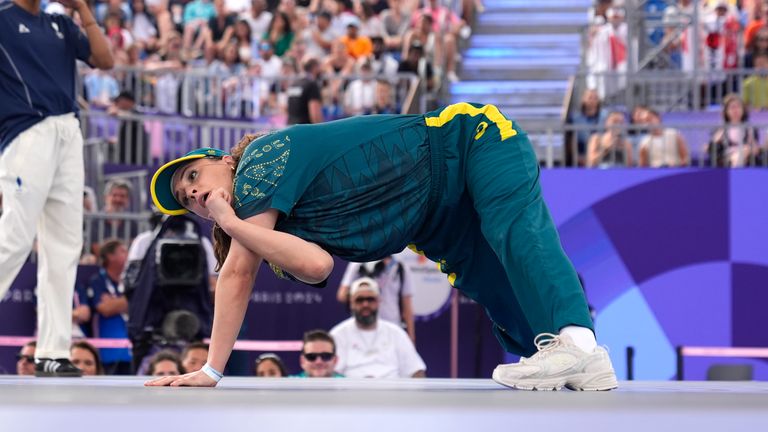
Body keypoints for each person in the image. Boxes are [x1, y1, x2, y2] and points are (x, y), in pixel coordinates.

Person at [145, 102, 619, 391]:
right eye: (188, 201)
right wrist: (235, 225)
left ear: (223, 160)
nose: (191, 193)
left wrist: (210, 370)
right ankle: (578, 361)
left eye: (192, 177)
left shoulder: (261, 158)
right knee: (496, 289)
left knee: (513, 231)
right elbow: (315, 266)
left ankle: (576, 339)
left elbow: (238, 274)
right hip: (434, 221)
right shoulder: (264, 230)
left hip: (465, 143)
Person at [0, 0, 113, 377]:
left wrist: (83, 9)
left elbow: (105, 60)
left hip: (68, 129)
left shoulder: (60, 24)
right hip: (25, 132)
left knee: (64, 245)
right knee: (14, 237)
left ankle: (52, 351)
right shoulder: (2, 17)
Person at [331, 277, 425, 378]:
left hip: (392, 392)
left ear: (379, 301)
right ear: (351, 303)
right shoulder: (338, 335)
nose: (365, 304)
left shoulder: (396, 333)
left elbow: (416, 370)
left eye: (370, 299)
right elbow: (332, 373)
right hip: (351, 391)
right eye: (360, 300)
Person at [337, 256, 415, 342]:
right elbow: (342, 295)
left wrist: (411, 338)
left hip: (392, 326)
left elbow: (407, 306)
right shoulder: (359, 262)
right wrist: (363, 286)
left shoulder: (401, 267)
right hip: (363, 326)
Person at [87, 239, 133, 375]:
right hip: (107, 351)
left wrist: (115, 303)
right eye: (123, 251)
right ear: (110, 256)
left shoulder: (129, 280)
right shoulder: (98, 281)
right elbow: (105, 309)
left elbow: (137, 305)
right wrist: (127, 301)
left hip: (130, 350)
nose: (128, 254)